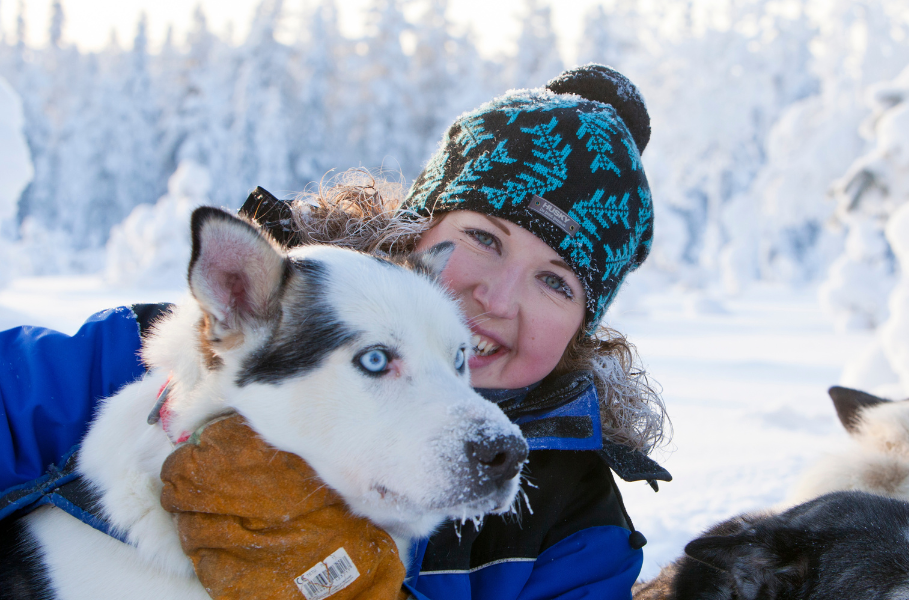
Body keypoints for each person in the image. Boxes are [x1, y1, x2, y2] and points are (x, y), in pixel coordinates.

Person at [0, 64, 670, 599]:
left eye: (557, 282)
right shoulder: (169, 351)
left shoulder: (573, 527)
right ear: (421, 234)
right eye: (482, 238)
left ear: (585, 323)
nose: (494, 297)